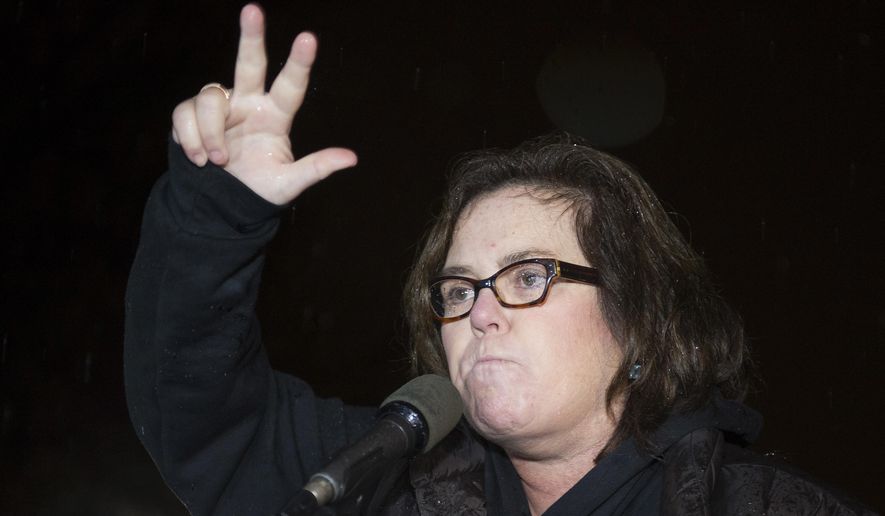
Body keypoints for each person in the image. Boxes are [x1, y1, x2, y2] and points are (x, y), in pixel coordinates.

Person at [125, 4, 875, 515]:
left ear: (640, 315)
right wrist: (219, 210)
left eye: (526, 277)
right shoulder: (382, 481)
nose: (478, 313)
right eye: (454, 290)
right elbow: (200, 413)